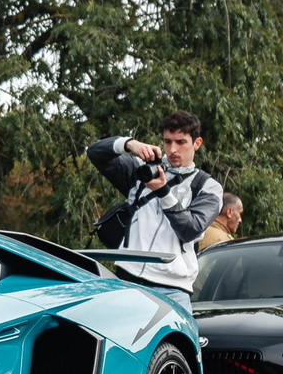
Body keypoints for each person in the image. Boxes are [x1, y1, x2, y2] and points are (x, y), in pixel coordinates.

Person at [87, 111, 225, 294]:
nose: (173, 149)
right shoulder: (142, 170)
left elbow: (190, 230)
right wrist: (129, 144)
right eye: (168, 141)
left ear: (197, 143)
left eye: (181, 142)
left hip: (173, 288)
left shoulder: (207, 186)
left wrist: (163, 192)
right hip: (128, 279)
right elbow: (94, 152)